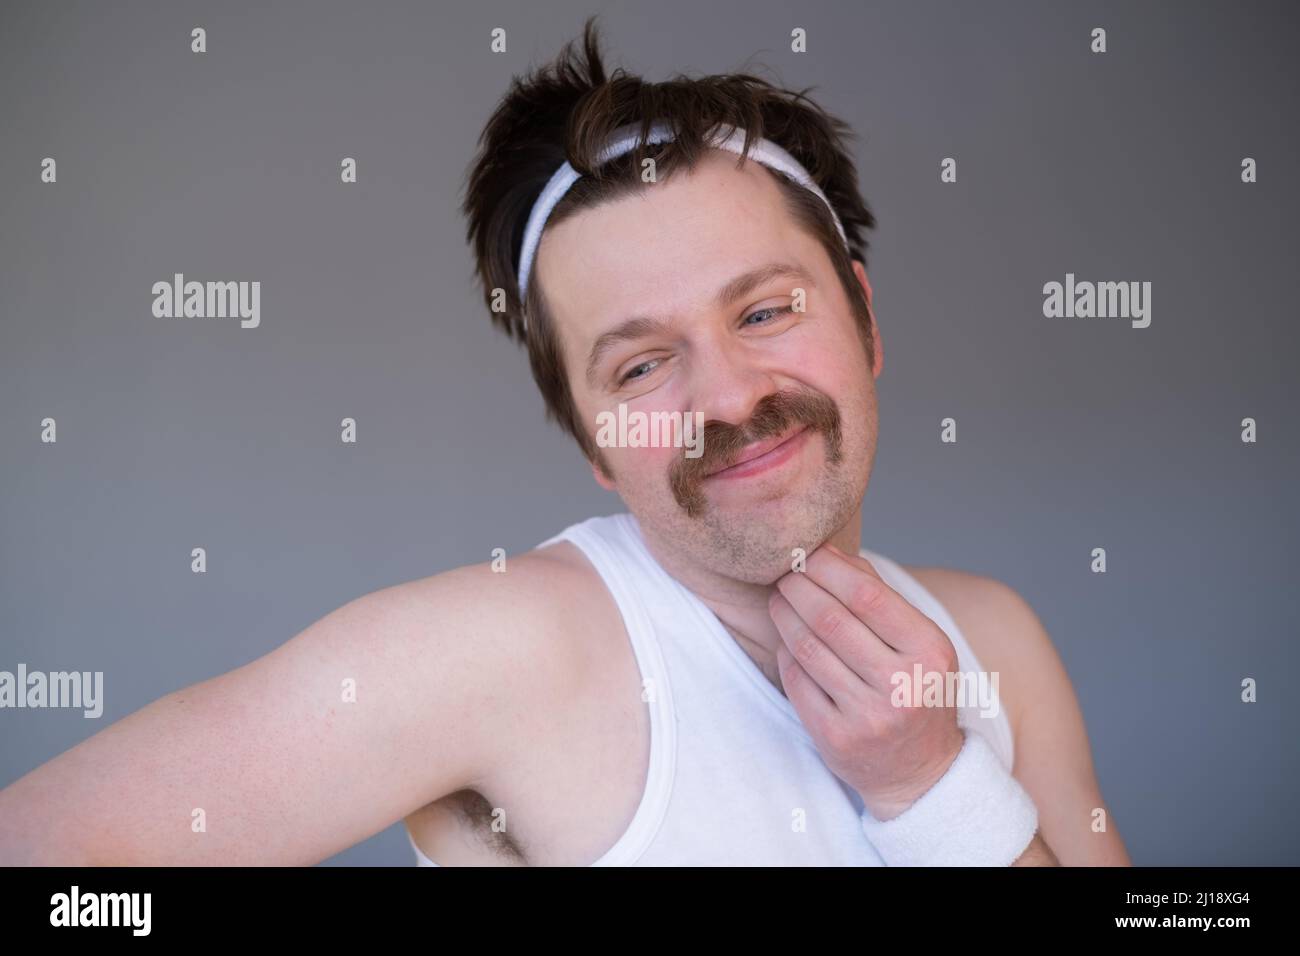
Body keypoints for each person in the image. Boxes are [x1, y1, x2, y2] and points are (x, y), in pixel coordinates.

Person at [0, 17, 1130, 867]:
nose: (727, 397)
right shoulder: (497, 650)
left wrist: (931, 782)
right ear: (596, 438)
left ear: (867, 320)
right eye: (641, 364)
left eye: (765, 310)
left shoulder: (991, 638)